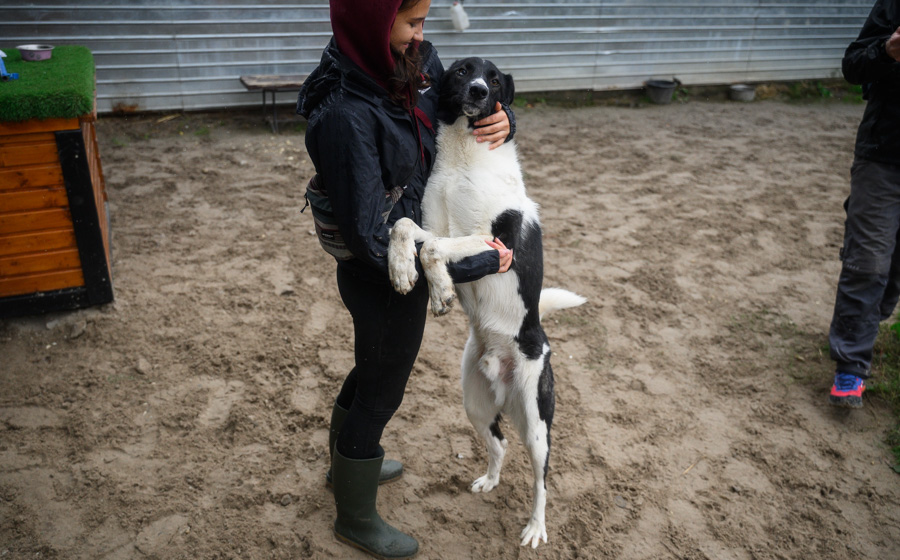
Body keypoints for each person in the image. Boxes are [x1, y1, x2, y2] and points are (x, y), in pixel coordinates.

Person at [296, 0, 515, 557]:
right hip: (382, 274)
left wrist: (505, 119)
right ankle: (355, 516)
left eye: (423, 21)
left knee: (370, 369)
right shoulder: (346, 115)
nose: (422, 36)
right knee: (382, 389)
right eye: (412, 22)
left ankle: (343, 466)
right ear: (375, 22)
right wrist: (481, 262)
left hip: (409, 246)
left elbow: (460, 98)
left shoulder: (408, 62)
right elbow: (370, 236)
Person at [828, 0, 900, 408]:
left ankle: (864, 324)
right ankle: (851, 365)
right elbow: (853, 64)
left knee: (892, 274)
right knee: (868, 263)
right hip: (883, 155)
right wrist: (886, 51)